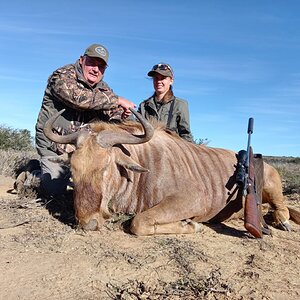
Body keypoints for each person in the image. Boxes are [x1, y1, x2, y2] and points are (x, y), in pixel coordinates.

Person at [17, 43, 136, 198]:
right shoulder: (62, 75)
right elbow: (79, 98)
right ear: (81, 60)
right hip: (54, 143)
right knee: (54, 190)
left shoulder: (104, 89)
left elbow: (111, 112)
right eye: (92, 63)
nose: (96, 69)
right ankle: (32, 174)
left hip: (81, 149)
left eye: (101, 67)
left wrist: (122, 114)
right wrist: (118, 100)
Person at [138, 63, 193, 142]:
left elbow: (185, 135)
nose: (159, 81)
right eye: (156, 78)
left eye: (163, 78)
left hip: (172, 151)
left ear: (171, 81)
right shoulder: (144, 106)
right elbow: (137, 129)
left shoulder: (180, 104)